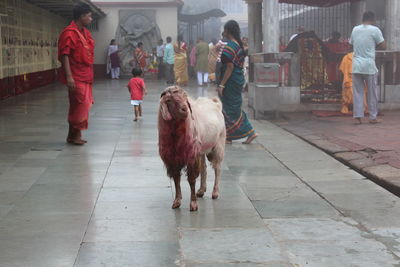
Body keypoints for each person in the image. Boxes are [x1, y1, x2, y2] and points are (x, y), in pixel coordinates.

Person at [58, 3, 94, 145]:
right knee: (82, 104)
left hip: (85, 75)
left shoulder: (85, 33)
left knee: (78, 105)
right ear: (82, 16)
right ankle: (74, 135)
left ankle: (73, 136)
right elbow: (65, 55)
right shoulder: (69, 33)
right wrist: (69, 77)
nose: (91, 19)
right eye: (89, 16)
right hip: (75, 75)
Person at [217, 20, 258, 144]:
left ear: (228, 31)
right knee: (231, 107)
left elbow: (229, 68)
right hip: (238, 79)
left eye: (224, 29)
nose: (223, 32)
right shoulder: (238, 45)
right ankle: (228, 136)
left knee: (230, 108)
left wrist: (222, 84)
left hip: (230, 80)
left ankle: (250, 132)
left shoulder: (229, 47)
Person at [350, 11, 386, 124]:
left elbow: (351, 43)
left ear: (363, 18)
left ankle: (357, 117)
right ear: (373, 19)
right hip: (369, 66)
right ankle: (372, 117)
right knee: (372, 93)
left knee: (357, 92)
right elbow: (383, 46)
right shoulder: (375, 30)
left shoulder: (355, 29)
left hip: (356, 65)